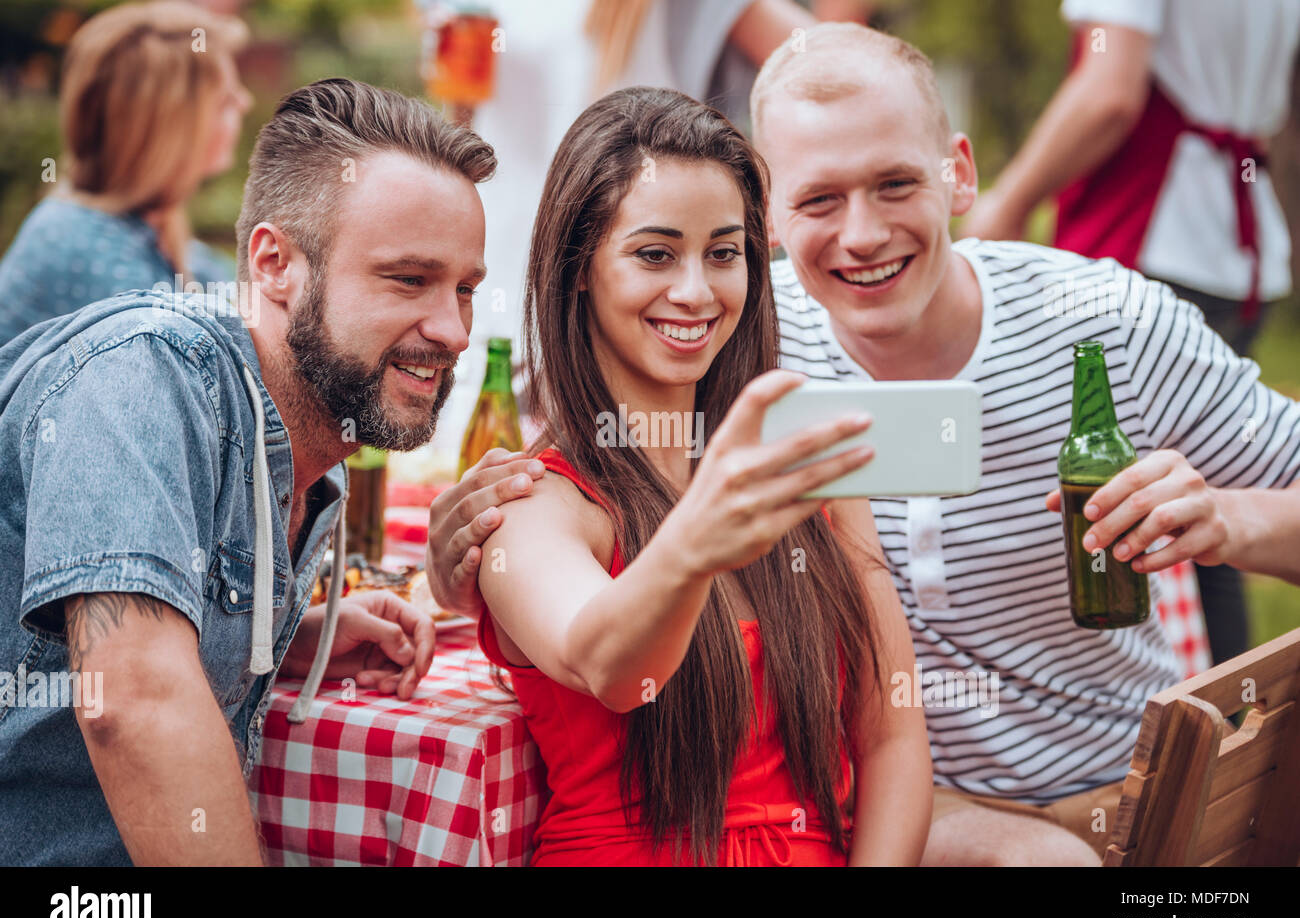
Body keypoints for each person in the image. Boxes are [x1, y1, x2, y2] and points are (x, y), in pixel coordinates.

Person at [428, 23, 1300, 865]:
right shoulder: (749, 349)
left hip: (1112, 783)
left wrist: (1229, 521)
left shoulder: (1107, 324)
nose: (861, 236)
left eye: (894, 185)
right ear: (770, 212)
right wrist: (459, 556)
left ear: (958, 173)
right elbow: (585, 521)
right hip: (900, 815)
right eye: (819, 200)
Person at [0, 78, 494, 865]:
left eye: (465, 289)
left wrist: (289, 642)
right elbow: (131, 698)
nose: (455, 330)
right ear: (274, 263)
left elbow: (124, 649)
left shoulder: (303, 451)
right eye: (409, 279)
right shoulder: (147, 371)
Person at [473, 86, 931, 866]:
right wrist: (697, 537)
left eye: (724, 253)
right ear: (579, 268)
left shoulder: (811, 470)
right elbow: (613, 666)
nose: (695, 291)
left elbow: (892, 734)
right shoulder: (536, 504)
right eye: (654, 254)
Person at [959, 0, 1300, 667]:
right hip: (1235, 242)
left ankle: (1174, 717)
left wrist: (1009, 201)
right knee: (1205, 497)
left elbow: (1109, 93)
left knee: (1121, 496)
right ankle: (1226, 718)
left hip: (1153, 232)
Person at [422, 0, 817, 467]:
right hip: (505, 266)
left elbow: (819, 58)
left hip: (647, 263)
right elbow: (471, 123)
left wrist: (780, 186)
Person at [0, 1, 254, 346]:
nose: (245, 101)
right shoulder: (85, 248)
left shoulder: (144, 224)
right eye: (225, 100)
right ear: (169, 128)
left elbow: (227, 286)